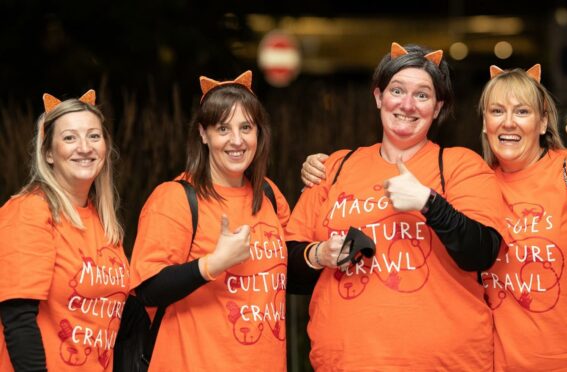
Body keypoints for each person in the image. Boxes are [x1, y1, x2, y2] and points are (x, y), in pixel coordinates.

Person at [286, 42, 508, 370]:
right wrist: (320, 255)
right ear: (378, 97)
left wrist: (428, 203)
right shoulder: (336, 166)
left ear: (437, 107)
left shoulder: (460, 165)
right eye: (397, 90)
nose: (407, 104)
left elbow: (482, 253)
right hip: (346, 363)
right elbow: (287, 270)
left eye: (422, 95)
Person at [128, 71, 290, 371]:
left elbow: (289, 265)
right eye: (223, 129)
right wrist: (212, 264)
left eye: (246, 127)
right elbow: (147, 289)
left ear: (259, 134)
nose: (237, 140)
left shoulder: (267, 193)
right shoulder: (175, 198)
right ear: (203, 134)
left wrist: (322, 253)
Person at [477, 64, 567, 370]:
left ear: (542, 123)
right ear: (486, 123)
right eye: (497, 111)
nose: (508, 123)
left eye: (522, 112)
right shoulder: (475, 184)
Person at [0, 90, 128, 371]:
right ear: (48, 153)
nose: (84, 147)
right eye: (69, 137)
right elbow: (17, 318)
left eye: (94, 136)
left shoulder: (104, 222)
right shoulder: (29, 211)